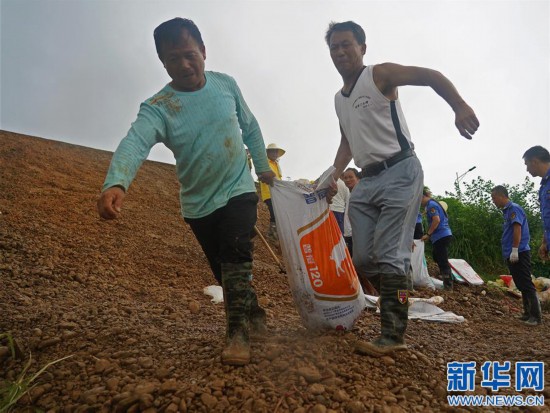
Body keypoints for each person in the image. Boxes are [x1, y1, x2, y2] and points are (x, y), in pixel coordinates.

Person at [96, 18, 275, 366]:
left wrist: (265, 171)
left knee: (237, 252)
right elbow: (135, 142)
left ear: (204, 52)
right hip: (198, 203)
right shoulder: (159, 106)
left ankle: (237, 333)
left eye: (190, 54)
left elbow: (249, 126)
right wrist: (116, 182)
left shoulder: (226, 85)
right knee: (222, 268)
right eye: (174, 58)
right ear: (163, 62)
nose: (184, 64)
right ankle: (254, 313)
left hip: (239, 187)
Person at [325, 20, 479, 356]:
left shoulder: (379, 75)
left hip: (400, 170)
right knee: (364, 259)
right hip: (367, 181)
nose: (340, 51)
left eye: (346, 44)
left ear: (362, 48)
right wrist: (332, 176)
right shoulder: (339, 99)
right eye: (334, 46)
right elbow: (347, 141)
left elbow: (429, 75)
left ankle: (393, 334)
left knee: (392, 255)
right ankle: (401, 291)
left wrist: (459, 106)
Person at [491, 185, 541, 326]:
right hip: (511, 252)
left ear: (502, 196)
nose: (493, 201)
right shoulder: (507, 211)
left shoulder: (514, 209)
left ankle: (536, 316)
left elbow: (517, 229)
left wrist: (515, 249)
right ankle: (527, 313)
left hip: (519, 252)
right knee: (520, 284)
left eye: (494, 198)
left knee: (526, 283)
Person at [421, 187, 454, 290]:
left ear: (423, 196)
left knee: (442, 259)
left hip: (441, 235)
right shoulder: (432, 204)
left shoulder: (431, 205)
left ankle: (448, 285)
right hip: (442, 235)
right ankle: (446, 277)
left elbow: (436, 220)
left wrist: (428, 234)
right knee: (437, 256)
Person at [523, 145, 550, 262]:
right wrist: (545, 242)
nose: (527, 169)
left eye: (527, 164)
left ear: (534, 161)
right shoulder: (543, 187)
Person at [259, 143, 285, 242]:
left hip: (277, 193)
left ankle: (272, 232)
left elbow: (279, 179)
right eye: (272, 151)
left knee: (276, 213)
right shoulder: (265, 163)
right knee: (274, 212)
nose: (275, 153)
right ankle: (272, 235)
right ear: (268, 152)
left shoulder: (276, 165)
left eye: (276, 151)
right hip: (269, 193)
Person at [342, 168, 360, 255]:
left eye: (350, 177)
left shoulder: (360, 193)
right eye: (345, 178)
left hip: (357, 234)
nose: (347, 180)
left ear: (358, 178)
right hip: (349, 234)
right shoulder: (350, 194)